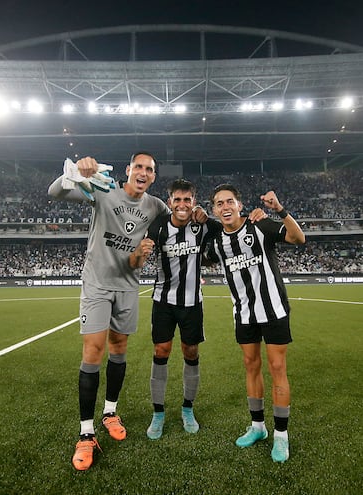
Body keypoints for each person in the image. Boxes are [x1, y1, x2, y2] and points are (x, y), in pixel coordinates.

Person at [48, 152, 168, 471]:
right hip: (98, 283)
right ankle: (86, 433)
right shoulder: (102, 190)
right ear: (128, 170)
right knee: (93, 351)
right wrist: (75, 172)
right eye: (138, 167)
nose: (143, 173)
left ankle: (110, 412)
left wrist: (196, 214)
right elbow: (55, 192)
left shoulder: (155, 206)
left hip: (128, 286)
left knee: (119, 349)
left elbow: (178, 219)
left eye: (150, 170)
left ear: (154, 177)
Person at [208, 185, 305, 463]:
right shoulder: (216, 242)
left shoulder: (259, 225)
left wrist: (280, 210)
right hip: (244, 314)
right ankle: (258, 428)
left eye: (229, 201)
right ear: (215, 210)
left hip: (273, 310)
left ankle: (281, 436)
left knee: (277, 368)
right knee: (251, 367)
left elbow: (298, 238)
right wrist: (198, 219)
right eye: (219, 203)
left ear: (239, 205)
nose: (225, 207)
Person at [130, 179, 219, 439]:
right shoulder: (158, 227)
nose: (182, 204)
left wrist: (208, 216)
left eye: (187, 200)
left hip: (192, 302)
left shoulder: (202, 225)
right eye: (177, 200)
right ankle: (158, 413)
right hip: (163, 301)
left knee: (190, 351)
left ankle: (187, 408)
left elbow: (229, 228)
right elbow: (136, 262)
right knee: (161, 350)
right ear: (170, 203)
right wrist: (139, 253)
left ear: (194, 202)